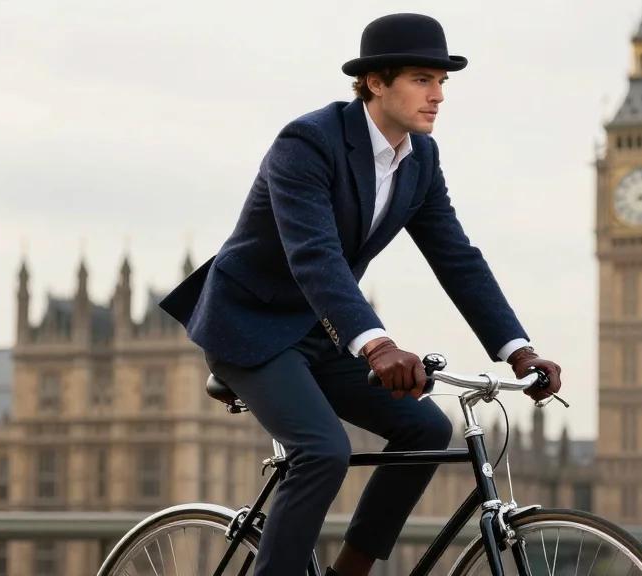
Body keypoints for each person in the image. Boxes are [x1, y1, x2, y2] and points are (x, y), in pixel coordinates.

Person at [159, 12, 563, 576]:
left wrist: (518, 350)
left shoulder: (420, 159)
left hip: (317, 331)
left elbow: (457, 258)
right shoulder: (307, 142)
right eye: (424, 79)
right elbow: (314, 256)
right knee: (324, 450)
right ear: (376, 82)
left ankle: (351, 570)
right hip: (250, 326)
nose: (438, 95)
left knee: (426, 430)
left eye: (443, 81)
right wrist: (377, 345)